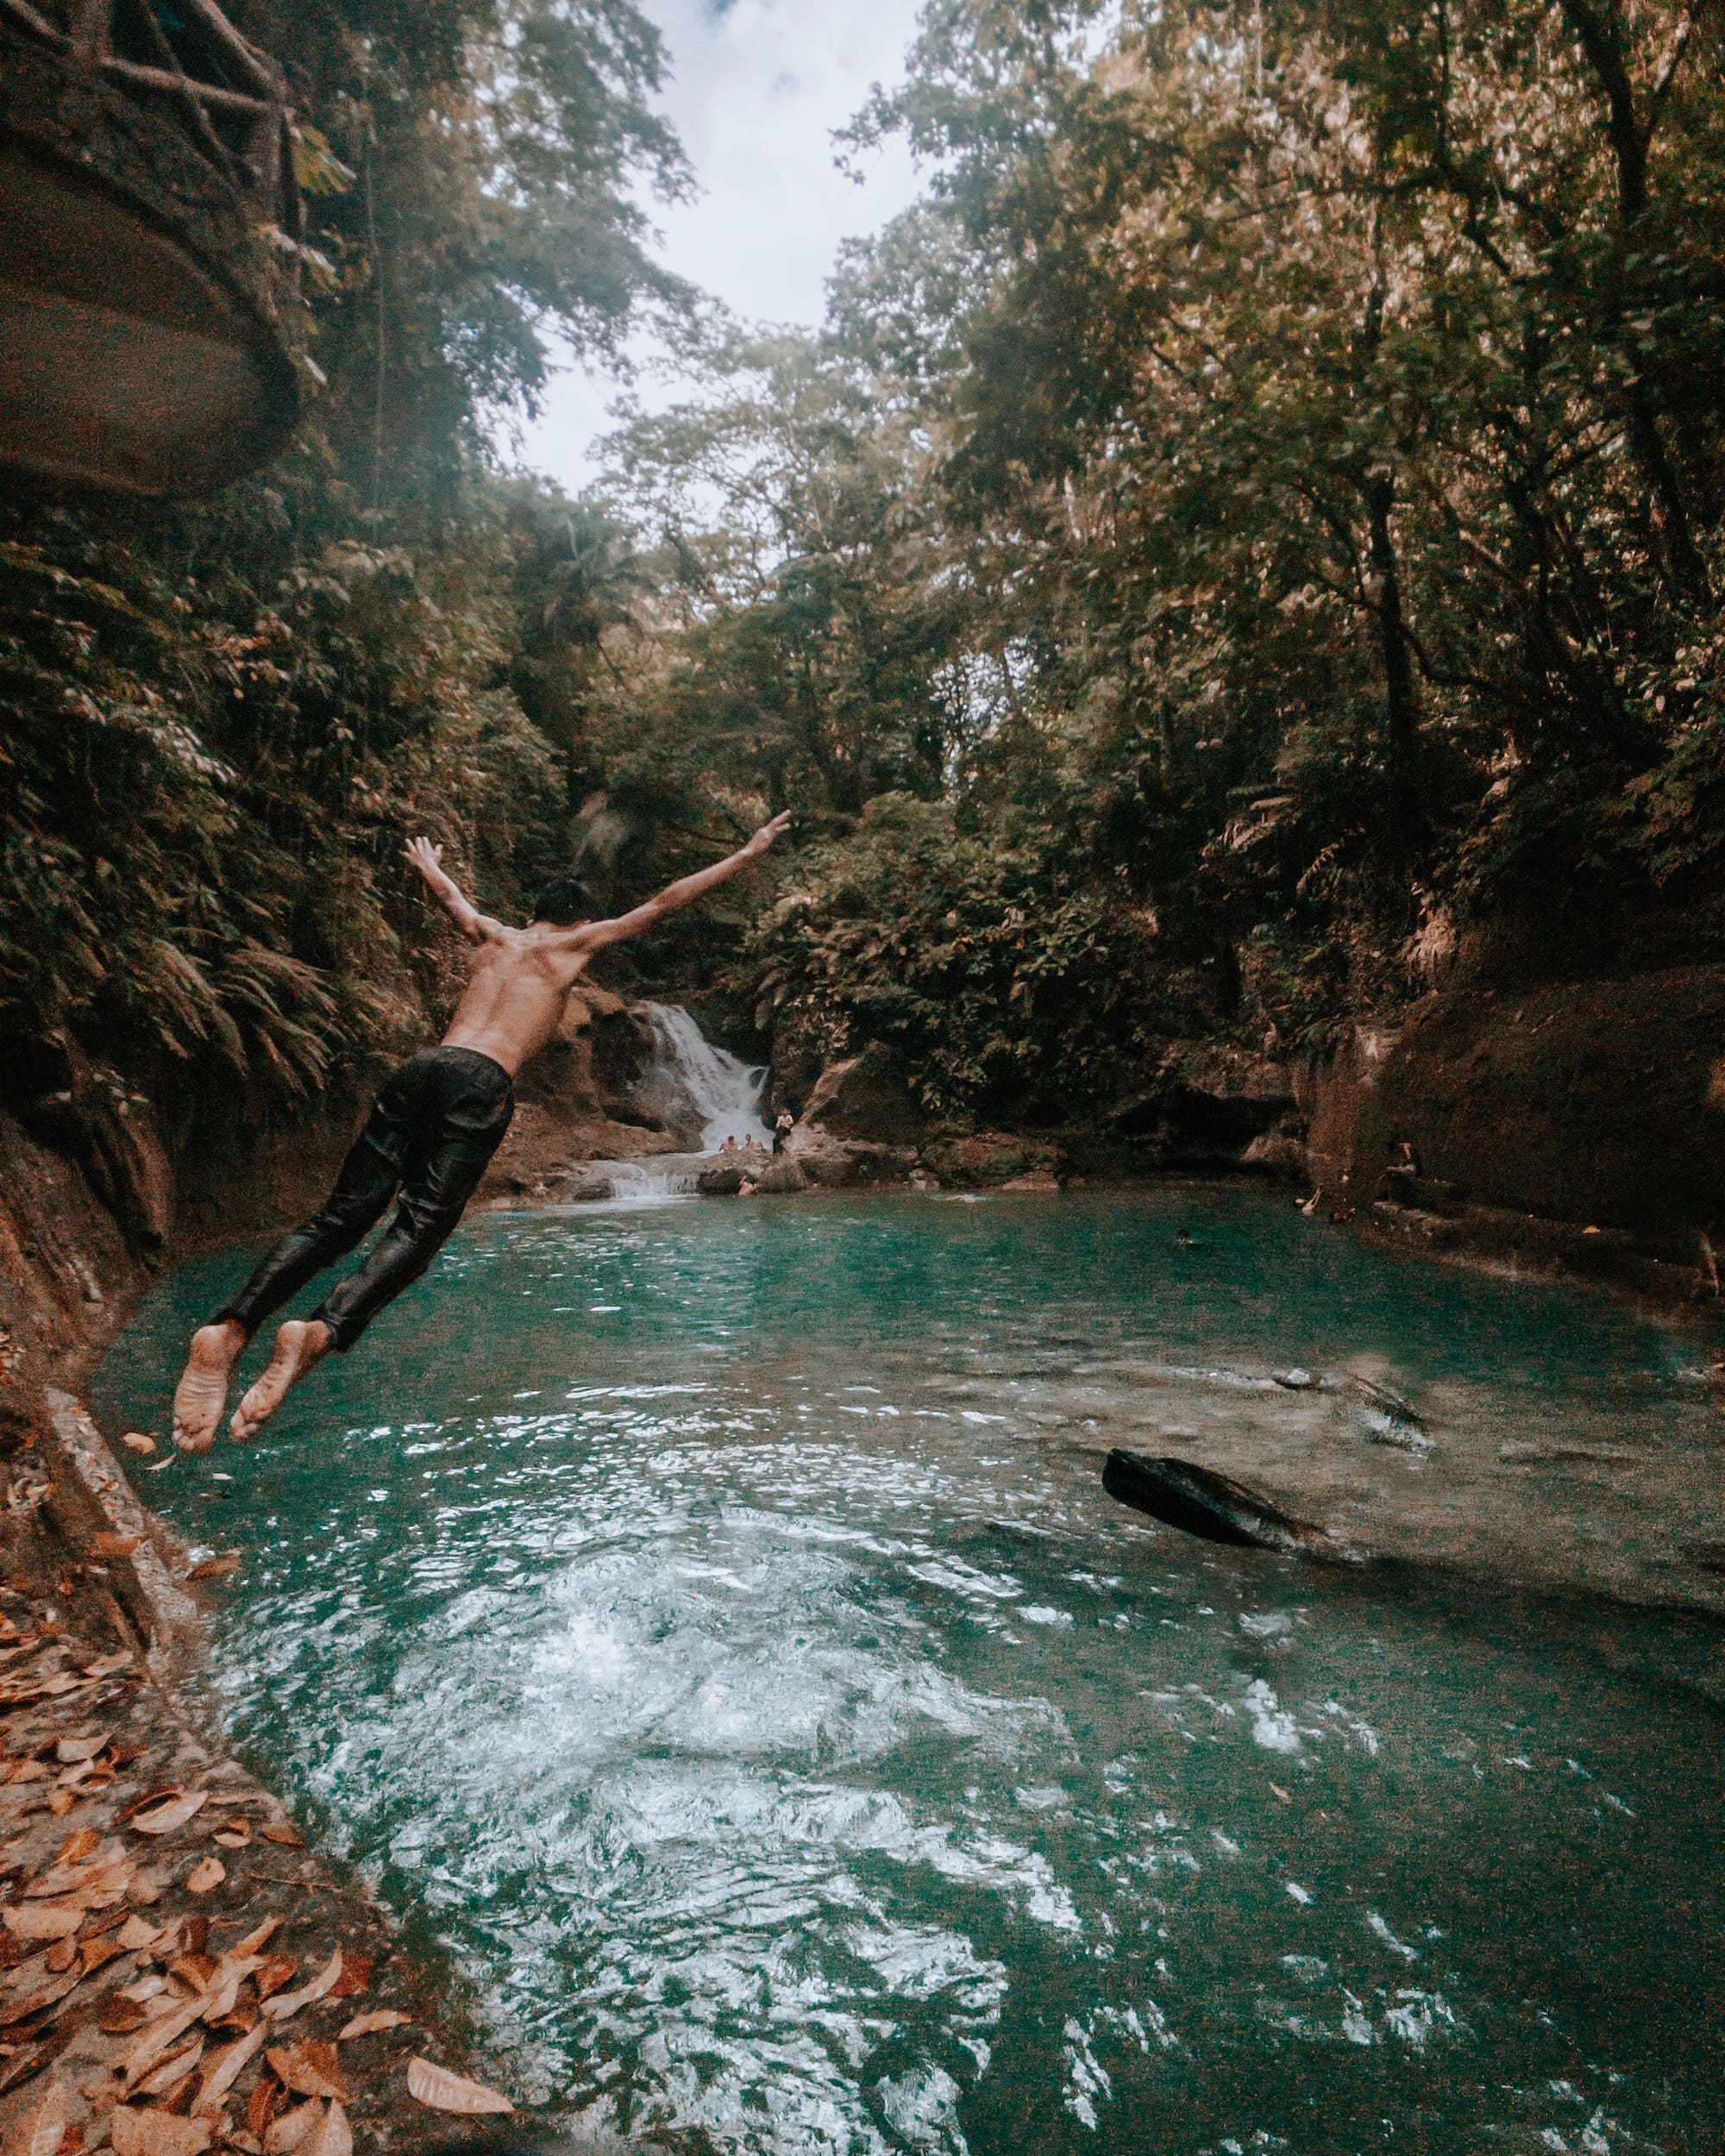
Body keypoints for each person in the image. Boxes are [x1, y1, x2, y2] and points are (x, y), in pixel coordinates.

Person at [170, 812, 792, 1450]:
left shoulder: (497, 938)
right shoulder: (574, 945)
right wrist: (746, 855)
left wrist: (433, 868)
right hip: (481, 1079)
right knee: (421, 1226)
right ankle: (323, 1329)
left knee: (338, 1219)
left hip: (422, 1067)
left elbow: (455, 903)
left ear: (532, 915)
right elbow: (664, 902)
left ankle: (230, 1328)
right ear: (579, 921)